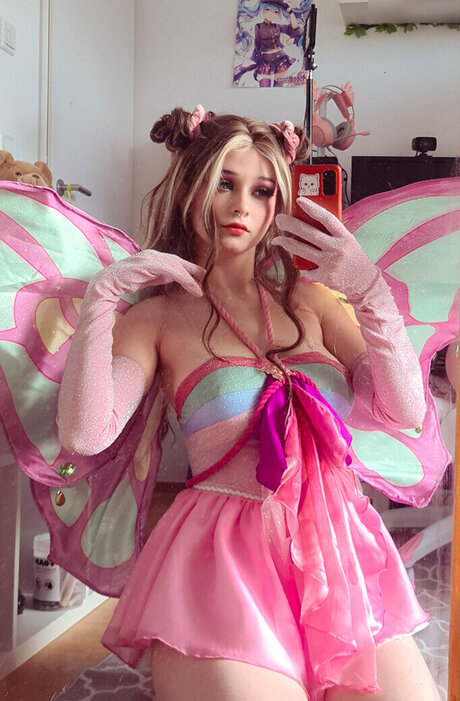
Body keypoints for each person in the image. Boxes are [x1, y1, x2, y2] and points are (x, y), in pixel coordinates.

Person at [56, 105, 441, 701]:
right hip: (221, 562)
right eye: (224, 185)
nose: (242, 206)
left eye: (262, 191)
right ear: (191, 189)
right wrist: (102, 299)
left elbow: (405, 410)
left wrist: (369, 291)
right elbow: (85, 435)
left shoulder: (315, 301)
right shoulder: (157, 318)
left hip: (337, 546)